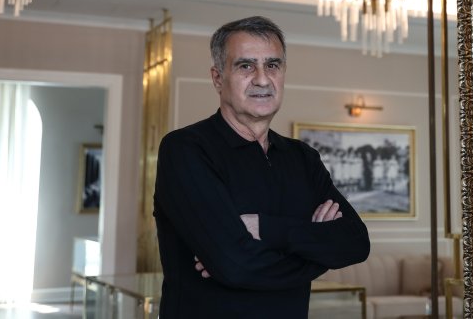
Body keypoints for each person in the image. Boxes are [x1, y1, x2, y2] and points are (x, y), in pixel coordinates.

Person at [153, 16, 370, 318]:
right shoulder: (186, 149)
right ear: (218, 78)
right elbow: (236, 266)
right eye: (245, 66)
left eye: (272, 65)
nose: (262, 79)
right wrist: (319, 250)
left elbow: (356, 243)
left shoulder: (302, 157)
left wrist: (265, 228)